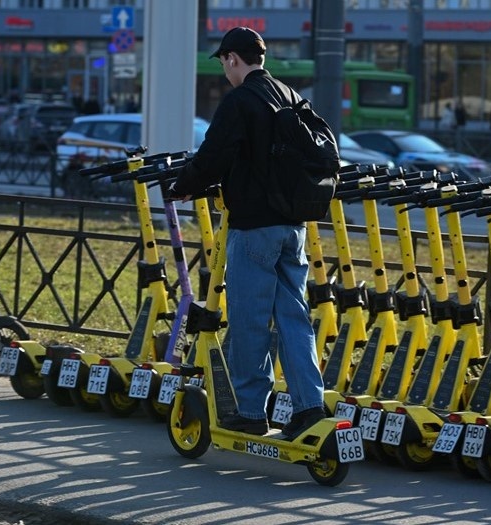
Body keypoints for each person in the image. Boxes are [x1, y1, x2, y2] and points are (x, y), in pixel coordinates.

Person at [170, 27, 325, 439]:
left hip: (254, 227)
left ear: (233, 59)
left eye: (224, 62)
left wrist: (183, 185)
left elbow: (214, 154)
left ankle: (252, 411)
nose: (224, 70)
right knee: (294, 318)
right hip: (293, 227)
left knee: (249, 320)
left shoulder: (240, 101)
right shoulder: (290, 95)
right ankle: (310, 407)